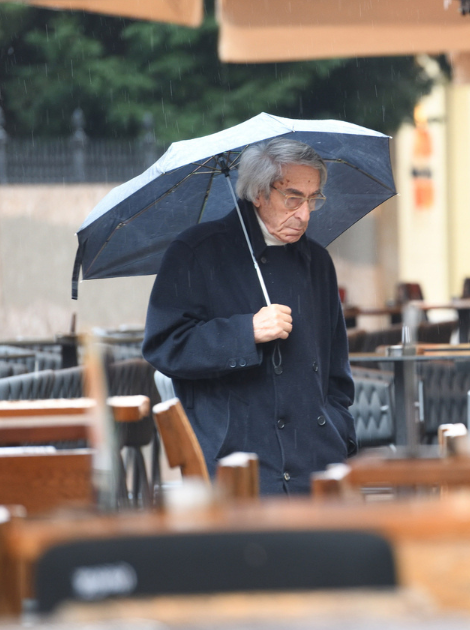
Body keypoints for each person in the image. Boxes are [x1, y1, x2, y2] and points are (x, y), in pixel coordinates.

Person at [142, 138, 356, 495]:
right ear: (259, 193)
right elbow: (164, 346)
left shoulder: (318, 262)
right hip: (239, 465)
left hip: (316, 463)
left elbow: (337, 371)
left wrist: (338, 431)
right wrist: (246, 331)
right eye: (293, 198)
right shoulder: (195, 252)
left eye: (313, 199)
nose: (304, 214)